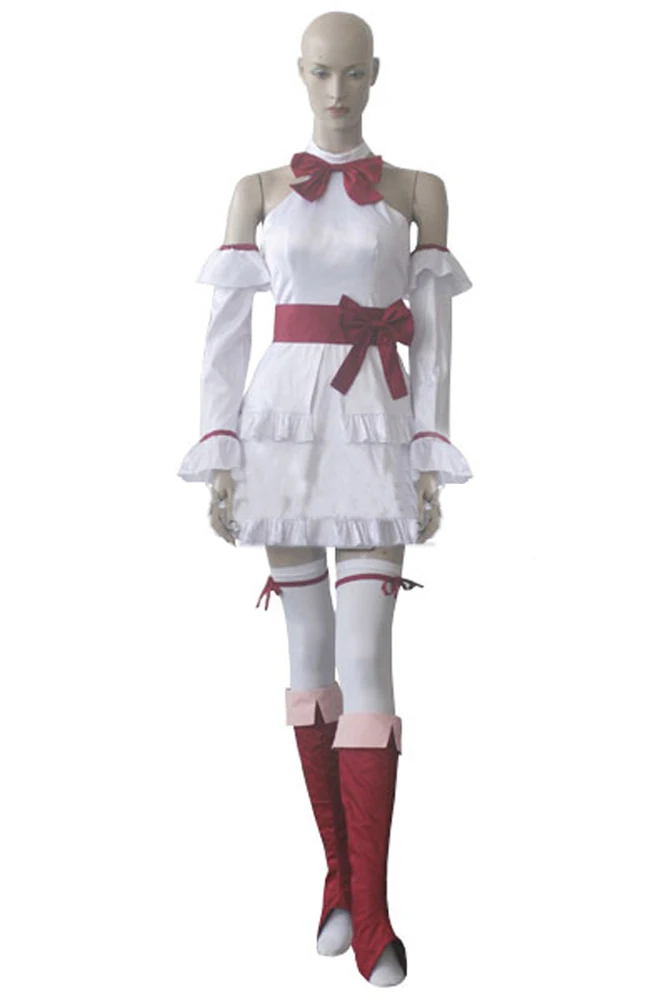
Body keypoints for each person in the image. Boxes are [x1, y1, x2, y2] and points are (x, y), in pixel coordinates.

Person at [177, 10, 473, 988]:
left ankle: (374, 911)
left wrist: (428, 448)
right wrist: (219, 445)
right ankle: (337, 876)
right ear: (298, 74)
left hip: (374, 426)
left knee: (367, 658)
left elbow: (432, 332)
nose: (335, 92)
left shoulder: (418, 190)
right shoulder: (257, 189)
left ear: (375, 74)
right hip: (280, 429)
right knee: (307, 654)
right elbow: (227, 330)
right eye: (319, 73)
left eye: (351, 74)